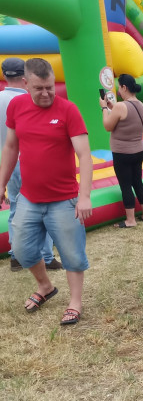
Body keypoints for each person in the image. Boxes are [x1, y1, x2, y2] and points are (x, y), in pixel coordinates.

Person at [0, 57, 92, 324]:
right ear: (26, 84)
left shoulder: (68, 110)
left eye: (50, 87)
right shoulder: (16, 106)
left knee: (72, 254)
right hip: (28, 197)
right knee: (22, 249)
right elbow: (11, 148)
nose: (46, 93)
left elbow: (84, 155)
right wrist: (2, 182)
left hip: (64, 200)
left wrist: (84, 197)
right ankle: (45, 287)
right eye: (39, 88)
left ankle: (75, 302)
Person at [0, 57, 61, 272]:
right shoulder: (29, 100)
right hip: (28, 162)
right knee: (41, 207)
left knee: (16, 207)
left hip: (5, 161)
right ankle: (45, 256)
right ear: (25, 79)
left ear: (5, 75)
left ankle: (16, 255)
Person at [100, 73, 143, 228]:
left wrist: (103, 108)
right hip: (138, 151)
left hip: (122, 153)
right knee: (137, 182)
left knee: (125, 185)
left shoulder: (122, 106)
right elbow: (126, 116)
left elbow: (108, 126)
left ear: (124, 87)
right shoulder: (140, 104)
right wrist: (111, 107)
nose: (119, 91)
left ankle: (130, 220)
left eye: (119, 88)